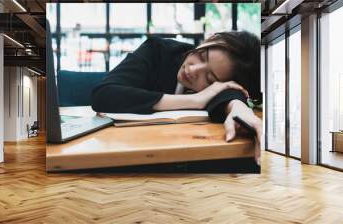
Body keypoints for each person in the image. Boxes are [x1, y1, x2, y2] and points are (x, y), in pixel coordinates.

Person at [92, 31, 262, 165]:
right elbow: (104, 95)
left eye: (210, 79)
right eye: (202, 56)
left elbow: (229, 94)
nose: (193, 70)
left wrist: (239, 107)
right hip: (121, 151)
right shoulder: (156, 49)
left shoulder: (221, 88)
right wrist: (195, 101)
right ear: (211, 38)